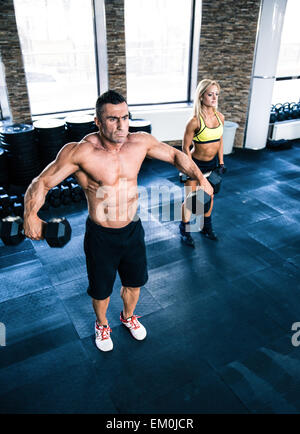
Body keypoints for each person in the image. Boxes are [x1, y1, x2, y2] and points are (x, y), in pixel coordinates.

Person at [23, 90, 213, 352]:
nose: (122, 124)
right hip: (102, 235)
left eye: (125, 117)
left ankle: (127, 316)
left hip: (133, 230)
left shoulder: (140, 142)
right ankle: (101, 324)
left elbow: (175, 156)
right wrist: (30, 215)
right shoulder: (80, 152)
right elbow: (41, 182)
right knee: (101, 291)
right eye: (113, 119)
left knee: (134, 283)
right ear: (98, 122)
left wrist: (201, 179)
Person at [179, 79, 226, 247]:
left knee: (209, 196)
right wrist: (191, 169)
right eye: (210, 94)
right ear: (201, 96)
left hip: (212, 164)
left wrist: (221, 162)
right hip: (195, 164)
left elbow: (220, 139)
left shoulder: (220, 117)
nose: (214, 98)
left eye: (216, 95)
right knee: (192, 201)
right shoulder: (194, 121)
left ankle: (206, 227)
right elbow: (185, 147)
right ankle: (184, 230)